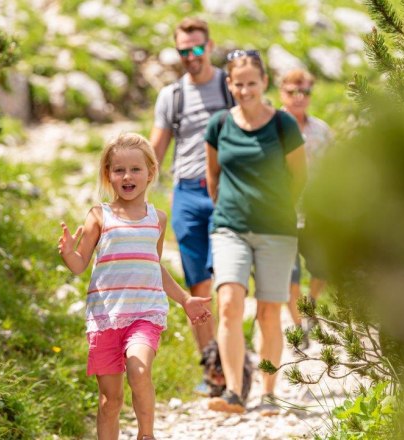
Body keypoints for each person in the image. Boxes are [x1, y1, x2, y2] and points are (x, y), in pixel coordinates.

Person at [58, 133, 213, 440]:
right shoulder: (99, 215)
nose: (127, 176)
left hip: (145, 313)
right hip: (105, 317)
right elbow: (79, 265)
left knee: (139, 369)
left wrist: (185, 299)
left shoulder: (157, 218)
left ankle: (146, 434)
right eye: (119, 170)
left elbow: (153, 265)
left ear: (150, 173)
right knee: (109, 401)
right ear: (108, 175)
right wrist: (68, 254)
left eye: (135, 169)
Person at [203, 50, 306, 414]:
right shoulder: (218, 124)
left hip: (276, 230)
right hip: (229, 227)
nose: (245, 90)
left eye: (251, 83)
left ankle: (268, 393)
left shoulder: (284, 125)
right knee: (229, 303)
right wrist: (229, 208)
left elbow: (299, 176)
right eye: (237, 83)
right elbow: (212, 176)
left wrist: (273, 207)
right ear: (229, 85)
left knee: (268, 313)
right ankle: (233, 391)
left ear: (264, 83)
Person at [149, 17, 234, 394]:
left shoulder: (230, 86)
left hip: (228, 192)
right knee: (198, 285)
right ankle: (212, 369)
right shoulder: (172, 96)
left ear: (209, 46)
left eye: (197, 48)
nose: (191, 56)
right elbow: (154, 151)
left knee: (229, 282)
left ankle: (234, 364)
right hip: (186, 194)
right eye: (184, 50)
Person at [280, 69, 334, 349]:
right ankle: (297, 325)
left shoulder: (322, 130)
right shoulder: (271, 126)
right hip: (282, 211)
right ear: (281, 93)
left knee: (321, 267)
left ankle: (311, 306)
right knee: (290, 273)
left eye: (304, 92)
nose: (298, 98)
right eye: (291, 92)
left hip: (316, 212)